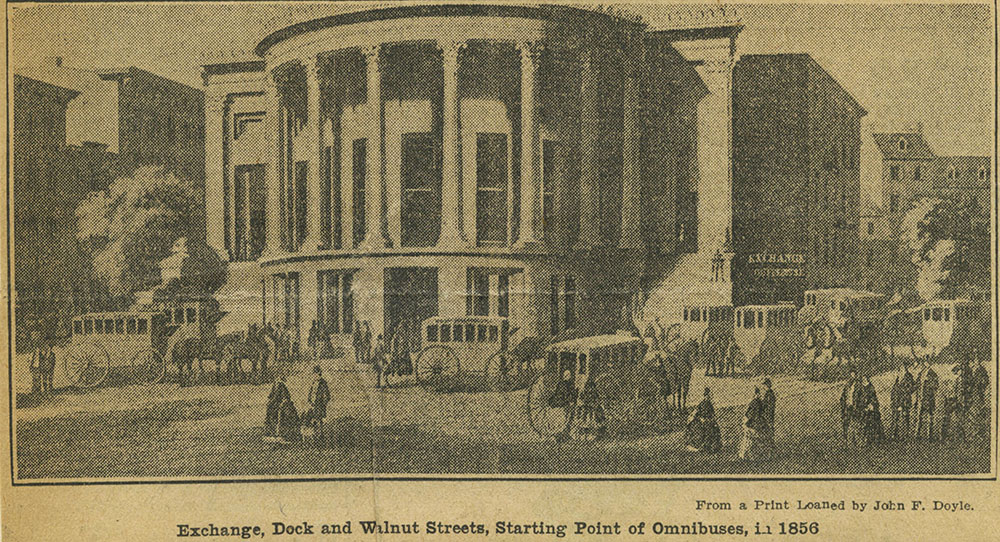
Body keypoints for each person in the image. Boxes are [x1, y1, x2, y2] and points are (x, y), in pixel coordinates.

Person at [685, 387, 722, 453]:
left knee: (714, 429)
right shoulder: (702, 404)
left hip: (708, 421)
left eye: (709, 396)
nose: (708, 397)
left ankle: (712, 447)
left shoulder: (709, 404)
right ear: (705, 396)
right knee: (705, 430)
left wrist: (713, 420)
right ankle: (702, 447)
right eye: (707, 396)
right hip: (701, 421)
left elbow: (712, 414)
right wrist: (700, 418)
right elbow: (696, 412)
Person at [739, 387, 768, 459]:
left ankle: (757, 455)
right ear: (755, 394)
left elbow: (762, 411)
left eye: (759, 394)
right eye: (757, 394)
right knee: (751, 439)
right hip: (753, 422)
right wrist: (747, 421)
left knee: (758, 439)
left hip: (758, 422)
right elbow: (749, 413)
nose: (758, 395)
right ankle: (747, 455)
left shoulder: (758, 402)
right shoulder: (754, 402)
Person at [915, 361, 938, 440]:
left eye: (927, 362)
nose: (925, 364)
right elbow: (917, 386)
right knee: (919, 418)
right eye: (924, 362)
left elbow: (936, 386)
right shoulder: (921, 373)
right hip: (921, 399)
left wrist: (929, 382)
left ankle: (929, 435)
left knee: (930, 417)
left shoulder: (933, 374)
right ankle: (917, 434)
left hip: (929, 399)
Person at [840, 369, 864, 446]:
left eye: (853, 374)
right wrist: (843, 404)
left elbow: (861, 397)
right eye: (851, 374)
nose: (852, 376)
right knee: (846, 423)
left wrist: (859, 406)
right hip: (847, 407)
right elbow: (843, 396)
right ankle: (846, 440)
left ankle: (856, 440)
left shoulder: (859, 385)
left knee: (856, 423)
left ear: (856, 375)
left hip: (855, 407)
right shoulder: (847, 385)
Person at [861, 375, 883, 446]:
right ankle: (866, 440)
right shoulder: (860, 388)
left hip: (871, 408)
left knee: (874, 423)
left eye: (865, 379)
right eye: (863, 379)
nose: (864, 380)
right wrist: (863, 406)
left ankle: (876, 440)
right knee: (865, 424)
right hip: (863, 408)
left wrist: (872, 405)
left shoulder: (871, 387)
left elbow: (874, 397)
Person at [308, 365, 331, 432]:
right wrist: (309, 400)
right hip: (313, 404)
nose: (314, 375)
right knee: (314, 419)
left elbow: (327, 395)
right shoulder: (314, 382)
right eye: (313, 373)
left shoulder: (323, 383)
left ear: (319, 373)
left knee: (319, 419)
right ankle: (315, 432)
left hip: (319, 404)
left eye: (315, 373)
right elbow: (311, 392)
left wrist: (323, 403)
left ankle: (321, 433)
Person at [762, 378, 776, 448]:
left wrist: (765, 413)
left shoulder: (769, 394)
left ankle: (770, 444)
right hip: (768, 414)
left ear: (768, 385)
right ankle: (769, 443)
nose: (764, 387)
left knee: (769, 428)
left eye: (765, 385)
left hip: (768, 415)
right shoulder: (769, 393)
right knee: (768, 428)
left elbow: (768, 405)